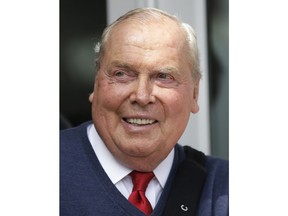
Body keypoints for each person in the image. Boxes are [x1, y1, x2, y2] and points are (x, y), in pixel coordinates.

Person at [60, 7, 228, 216]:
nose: (141, 96)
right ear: (96, 84)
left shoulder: (224, 190)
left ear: (195, 93)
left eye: (164, 77)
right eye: (121, 74)